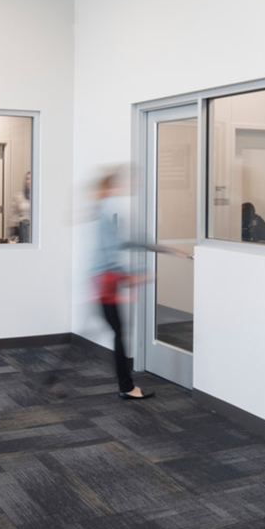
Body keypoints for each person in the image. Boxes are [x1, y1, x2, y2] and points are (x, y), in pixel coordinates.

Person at [92, 171, 155, 400]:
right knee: (118, 331)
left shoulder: (102, 210)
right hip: (105, 279)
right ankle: (127, 387)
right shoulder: (109, 209)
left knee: (116, 330)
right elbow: (112, 249)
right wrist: (129, 276)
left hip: (102, 278)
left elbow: (119, 242)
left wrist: (154, 247)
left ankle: (126, 385)